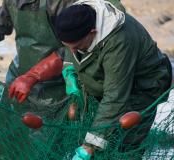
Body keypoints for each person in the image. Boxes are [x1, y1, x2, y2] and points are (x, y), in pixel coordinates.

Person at [0, 0, 124, 158]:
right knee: (4, 147)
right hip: (18, 83)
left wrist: (33, 76)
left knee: (42, 150)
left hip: (56, 90)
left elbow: (72, 50)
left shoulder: (60, 3)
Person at [51, 1, 172, 159]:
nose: (72, 51)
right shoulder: (78, 18)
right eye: (67, 46)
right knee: (95, 134)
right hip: (108, 82)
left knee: (122, 146)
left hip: (142, 87)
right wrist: (69, 70)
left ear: (93, 32)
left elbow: (115, 97)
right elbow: (71, 45)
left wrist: (89, 146)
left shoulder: (119, 41)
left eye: (77, 46)